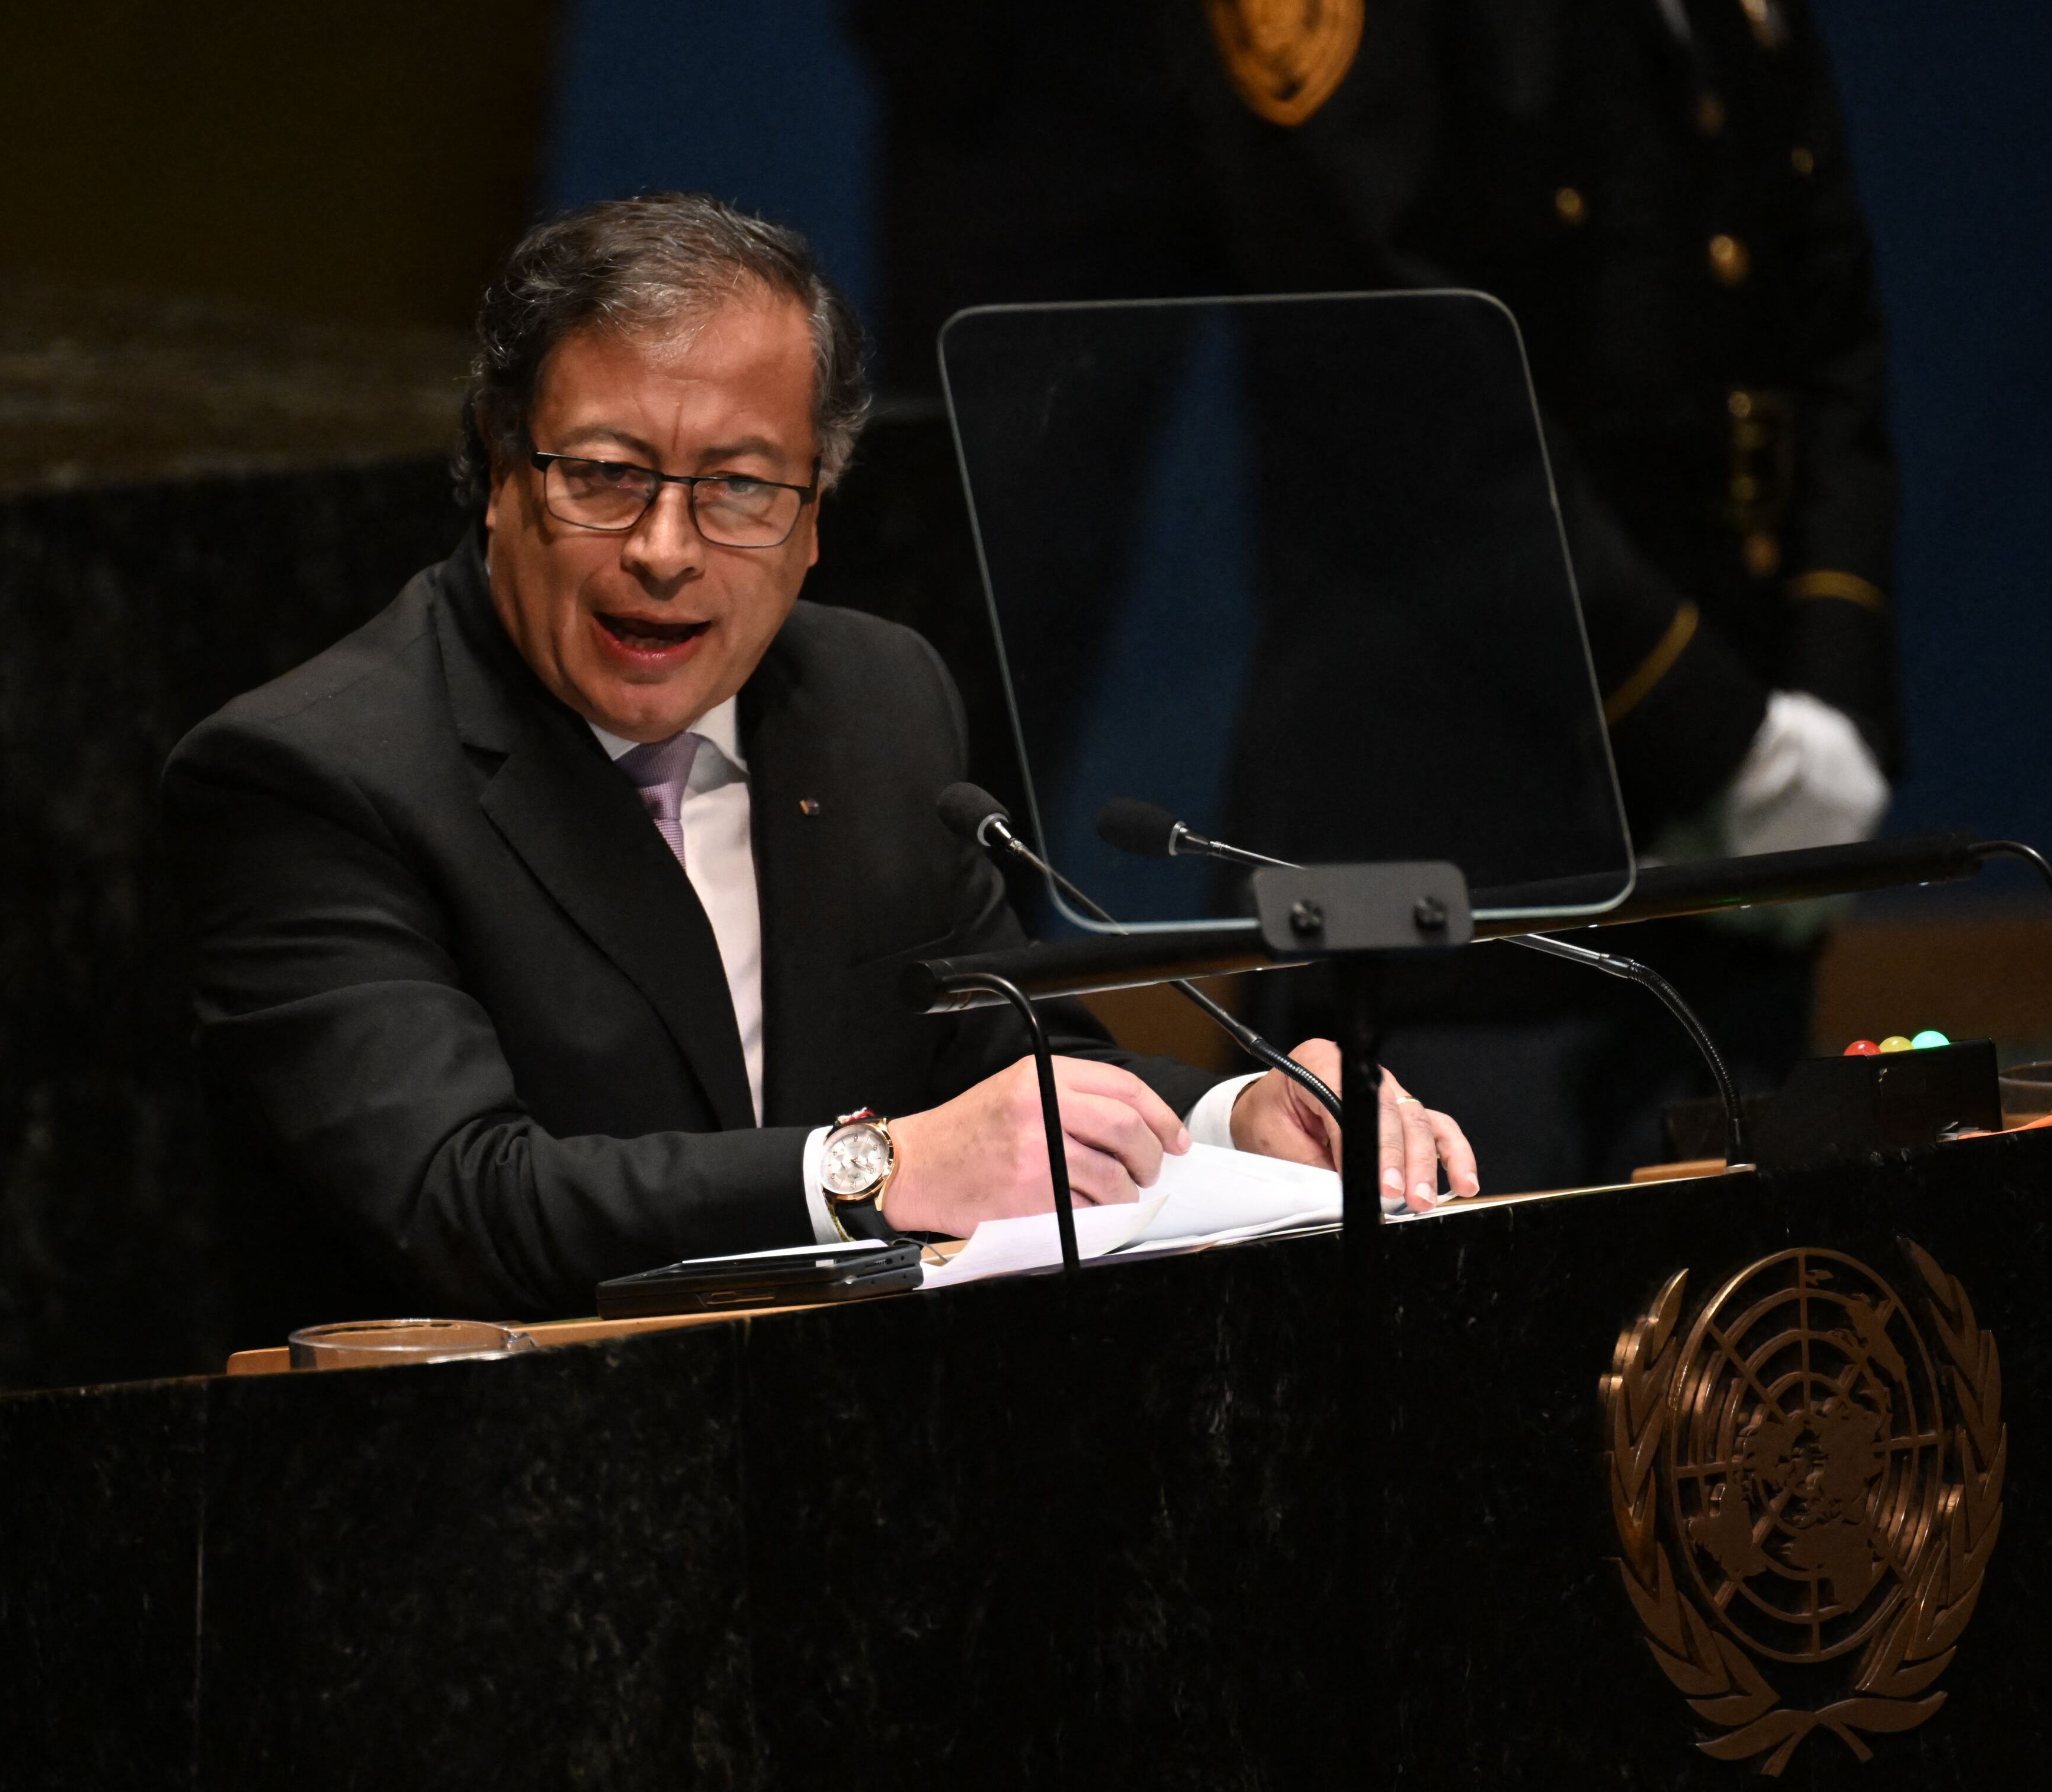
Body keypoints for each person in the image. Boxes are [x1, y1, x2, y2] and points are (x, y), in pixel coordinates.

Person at [165, 193, 1475, 1324]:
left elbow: (995, 1066)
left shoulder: (872, 698)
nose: (666, 547)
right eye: (606, 475)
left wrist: (1236, 1116)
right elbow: (460, 1202)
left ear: (812, 518)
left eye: (739, 487)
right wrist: (870, 1171)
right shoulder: (312, 777)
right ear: (498, 474)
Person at [851, 0, 1901, 1183]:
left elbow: (1820, 311)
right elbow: (1409, 394)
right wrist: (1719, 737)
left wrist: (1832, 708)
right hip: (1479, 854)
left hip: (1723, 819)